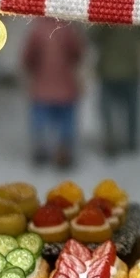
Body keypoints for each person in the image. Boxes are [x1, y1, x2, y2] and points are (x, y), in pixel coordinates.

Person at [20, 19, 85, 167]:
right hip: (65, 85)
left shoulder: (37, 30)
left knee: (40, 119)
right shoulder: (68, 29)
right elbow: (77, 53)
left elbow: (28, 56)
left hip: (42, 86)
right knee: (66, 121)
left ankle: (41, 147)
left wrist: (32, 70)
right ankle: (64, 149)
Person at [87, 24, 140, 155]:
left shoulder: (108, 17)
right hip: (121, 69)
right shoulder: (132, 16)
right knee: (128, 108)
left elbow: (93, 37)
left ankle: (116, 140)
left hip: (115, 69)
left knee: (115, 108)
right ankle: (125, 140)